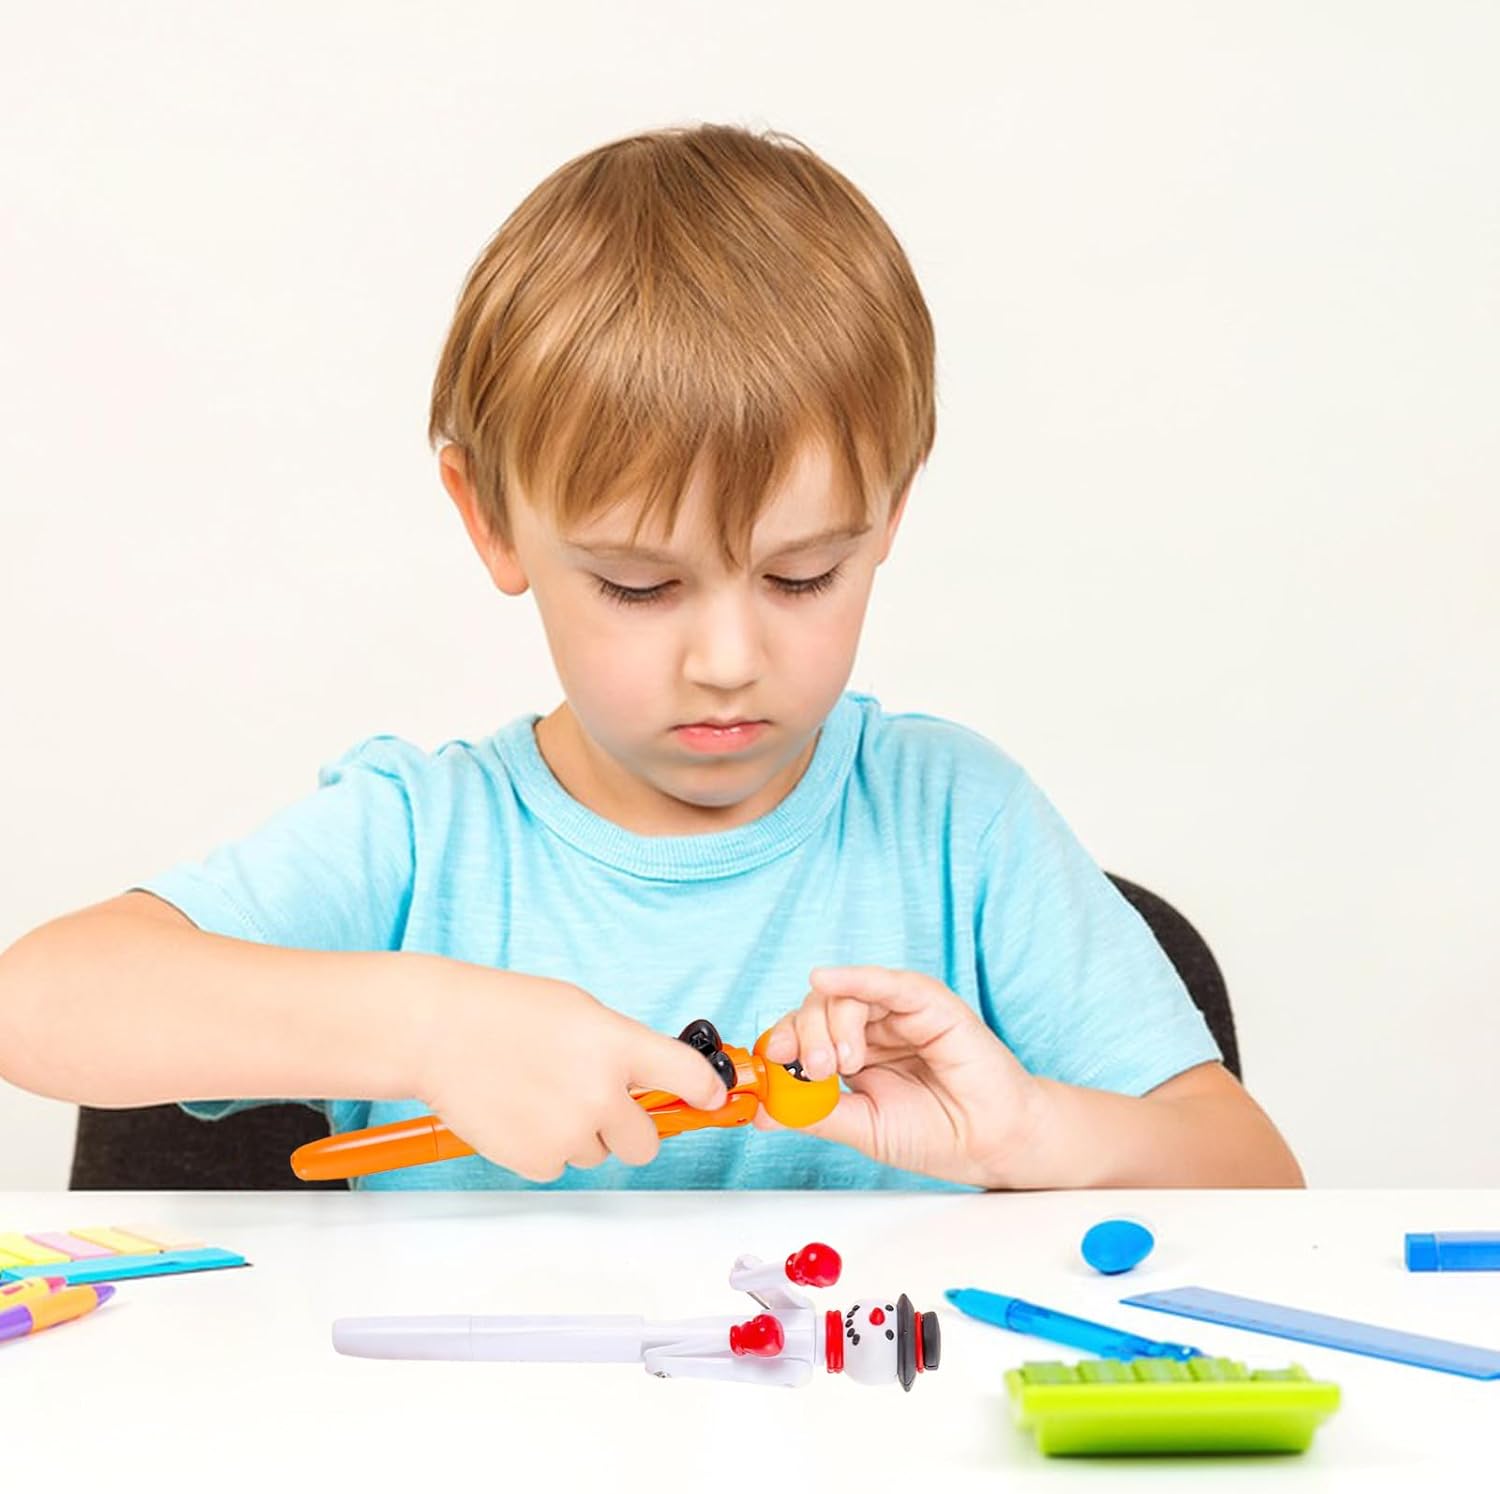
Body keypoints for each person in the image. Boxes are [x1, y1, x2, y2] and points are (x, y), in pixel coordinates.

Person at [0, 123, 1302, 1192]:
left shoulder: (961, 828)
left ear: (891, 513)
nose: (729, 658)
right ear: (489, 519)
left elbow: (1255, 1181)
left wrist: (1027, 1133)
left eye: (803, 575)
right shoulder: (418, 841)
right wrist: (430, 1026)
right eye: (639, 585)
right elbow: (41, 1000)